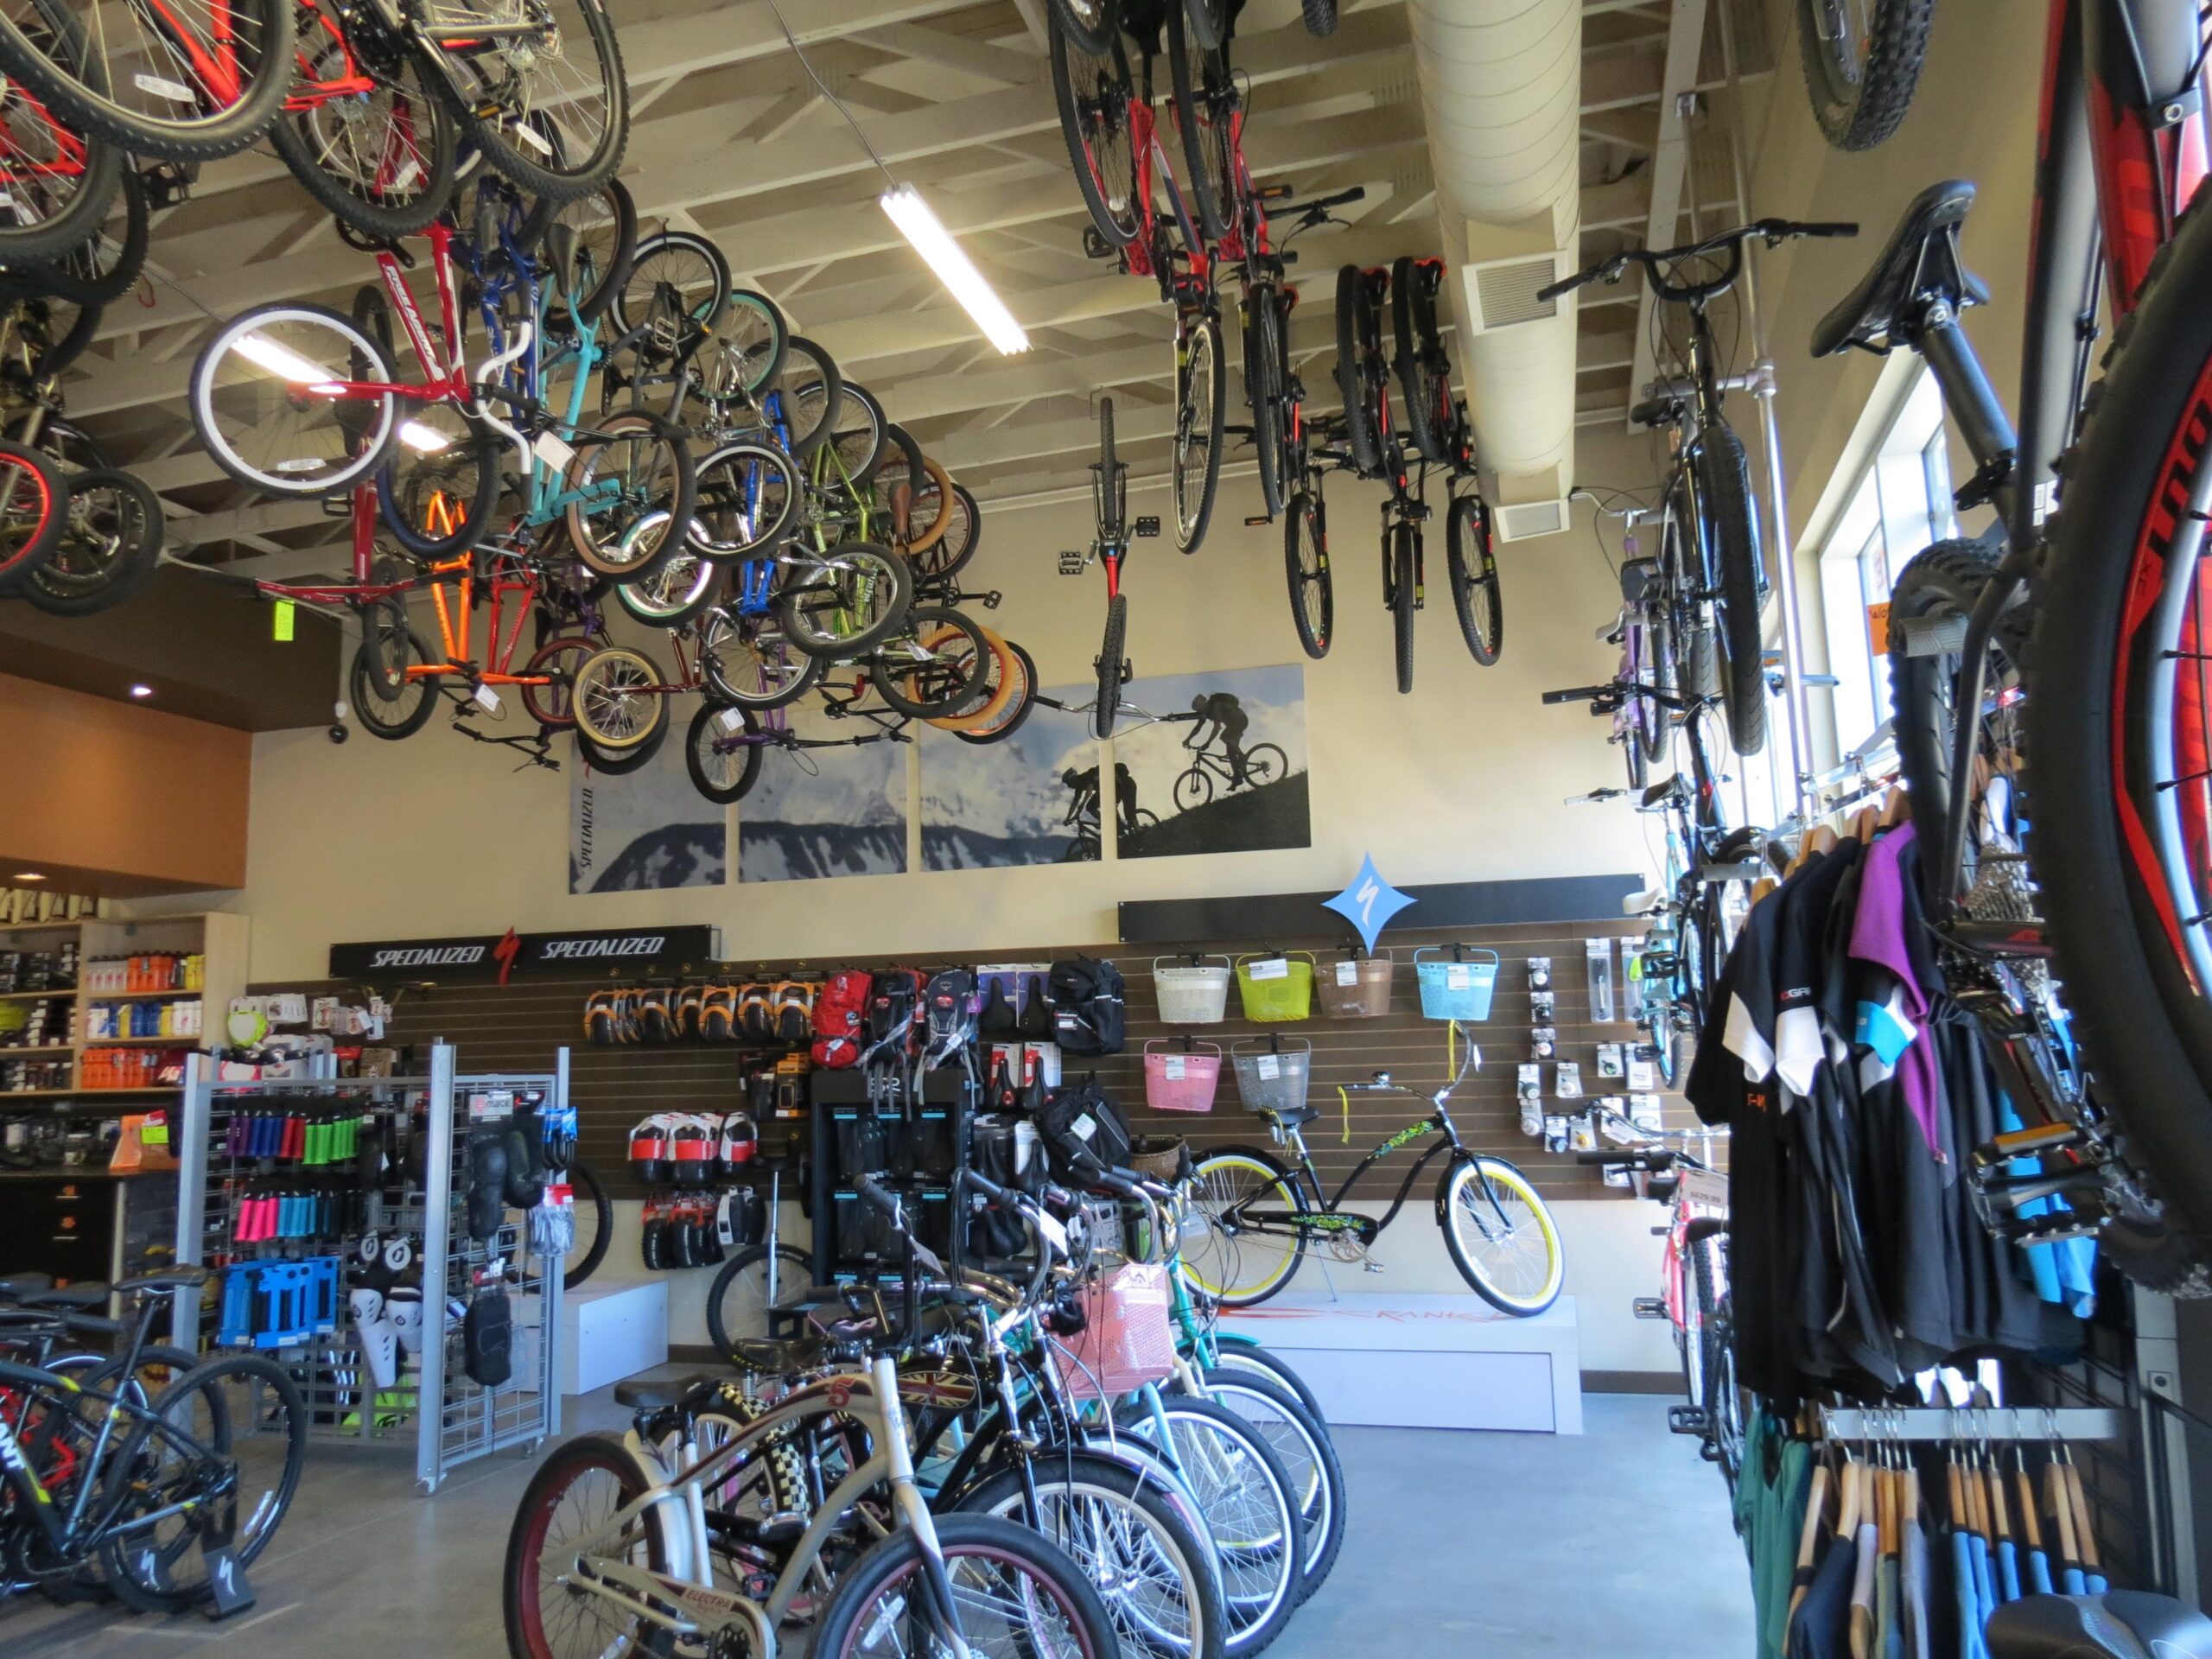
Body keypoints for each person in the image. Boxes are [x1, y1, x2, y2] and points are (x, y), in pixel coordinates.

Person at [1187, 691, 1251, 785]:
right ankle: (1237, 778)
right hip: (1232, 725)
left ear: (1203, 705)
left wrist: (1208, 743)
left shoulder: (1216, 706)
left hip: (1240, 721)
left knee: (1225, 737)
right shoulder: (1207, 711)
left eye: (1200, 709)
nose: (1200, 712)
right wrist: (1188, 739)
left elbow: (1217, 727)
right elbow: (1198, 727)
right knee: (1231, 753)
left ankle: (1242, 756)